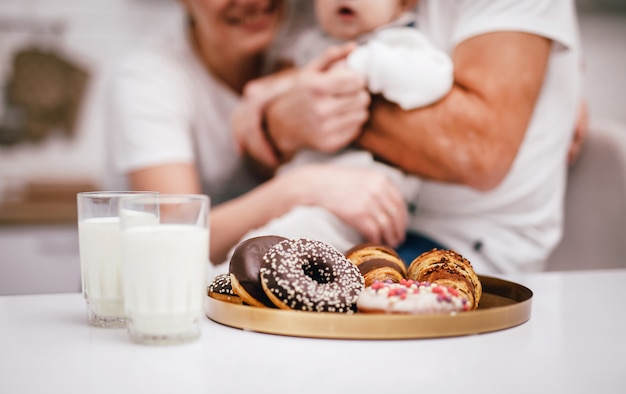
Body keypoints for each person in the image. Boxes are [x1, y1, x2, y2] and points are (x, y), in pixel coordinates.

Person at [237, 0, 584, 274]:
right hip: (340, 204)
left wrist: (319, 92)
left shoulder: (396, 44)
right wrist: (284, 106)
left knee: (284, 268)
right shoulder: (326, 28)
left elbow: (478, 151)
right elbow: (259, 126)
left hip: (462, 242)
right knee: (266, 254)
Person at [105, 0, 407, 273]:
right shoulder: (147, 78)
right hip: (159, 297)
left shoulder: (306, 24)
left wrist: (274, 88)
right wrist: (303, 187)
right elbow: (172, 235)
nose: (254, 2)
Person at [226, 0, 454, 269]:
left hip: (361, 195)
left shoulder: (399, 44)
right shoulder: (312, 43)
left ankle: (243, 279)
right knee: (260, 238)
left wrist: (358, 65)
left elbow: (436, 77)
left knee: (290, 241)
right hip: (303, 186)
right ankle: (234, 278)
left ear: (402, 6)